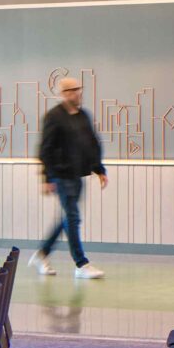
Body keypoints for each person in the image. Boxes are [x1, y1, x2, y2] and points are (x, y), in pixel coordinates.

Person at [36, 77, 109, 278]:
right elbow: (45, 149)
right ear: (64, 94)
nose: (77, 94)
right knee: (73, 217)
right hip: (61, 176)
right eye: (73, 91)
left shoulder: (83, 115)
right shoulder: (54, 116)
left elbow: (92, 143)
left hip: (78, 174)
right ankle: (81, 264)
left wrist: (99, 169)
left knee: (68, 218)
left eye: (78, 90)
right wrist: (47, 177)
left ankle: (42, 254)